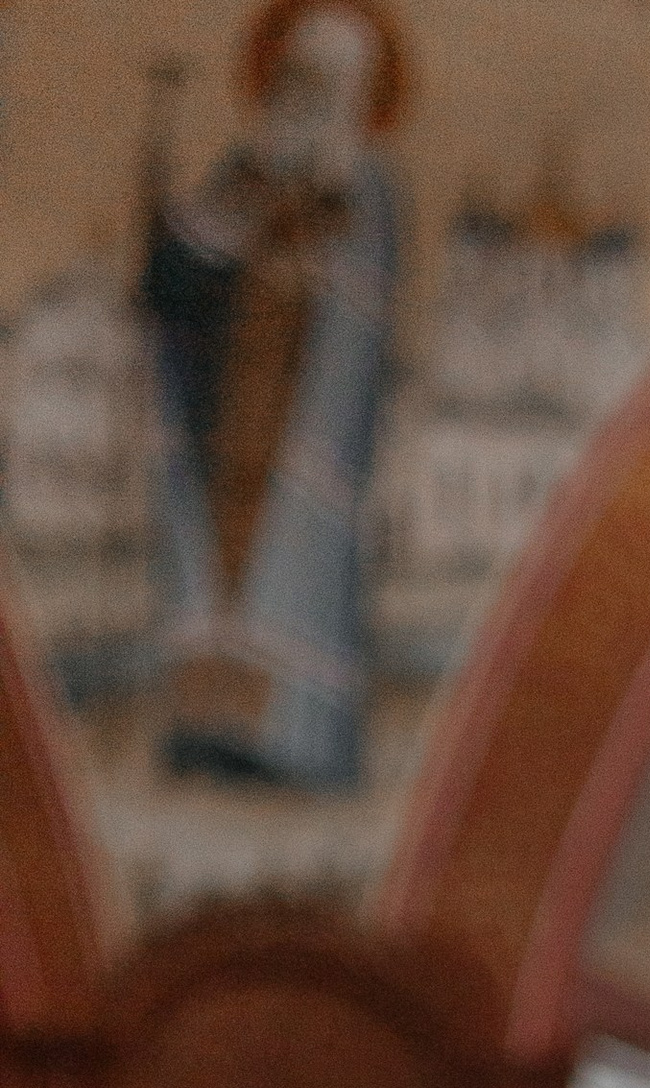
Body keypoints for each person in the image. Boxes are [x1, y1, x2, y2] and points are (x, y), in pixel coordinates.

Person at [145, 2, 403, 788]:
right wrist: (192, 234)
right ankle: (205, 730)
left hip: (310, 423)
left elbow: (363, 307)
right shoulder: (242, 171)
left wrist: (299, 243)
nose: (303, 96)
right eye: (293, 78)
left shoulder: (372, 192)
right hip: (231, 412)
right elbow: (177, 275)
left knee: (291, 574)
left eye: (324, 82)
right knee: (215, 570)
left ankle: (292, 745)